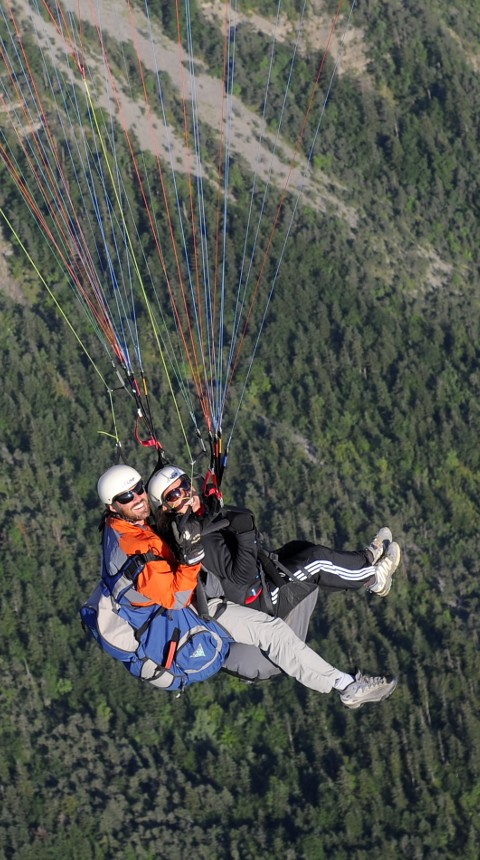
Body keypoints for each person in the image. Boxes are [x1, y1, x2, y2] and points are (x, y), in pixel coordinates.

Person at [96, 463, 398, 708]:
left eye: (138, 491)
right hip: (194, 611)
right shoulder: (132, 550)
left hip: (204, 595)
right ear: (112, 505)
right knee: (284, 613)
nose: (137, 498)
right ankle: (348, 686)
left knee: (300, 553)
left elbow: (164, 514)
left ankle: (369, 564)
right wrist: (190, 560)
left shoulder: (131, 524)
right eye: (127, 497)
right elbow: (176, 597)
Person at [148, 465, 402, 618]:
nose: (184, 494)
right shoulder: (194, 541)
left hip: (262, 575)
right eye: (174, 494)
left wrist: (215, 507)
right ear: (165, 507)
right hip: (260, 597)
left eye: (184, 484)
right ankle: (374, 578)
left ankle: (368, 558)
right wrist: (246, 535)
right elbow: (241, 576)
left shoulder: (196, 520)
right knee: (316, 563)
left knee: (301, 549)